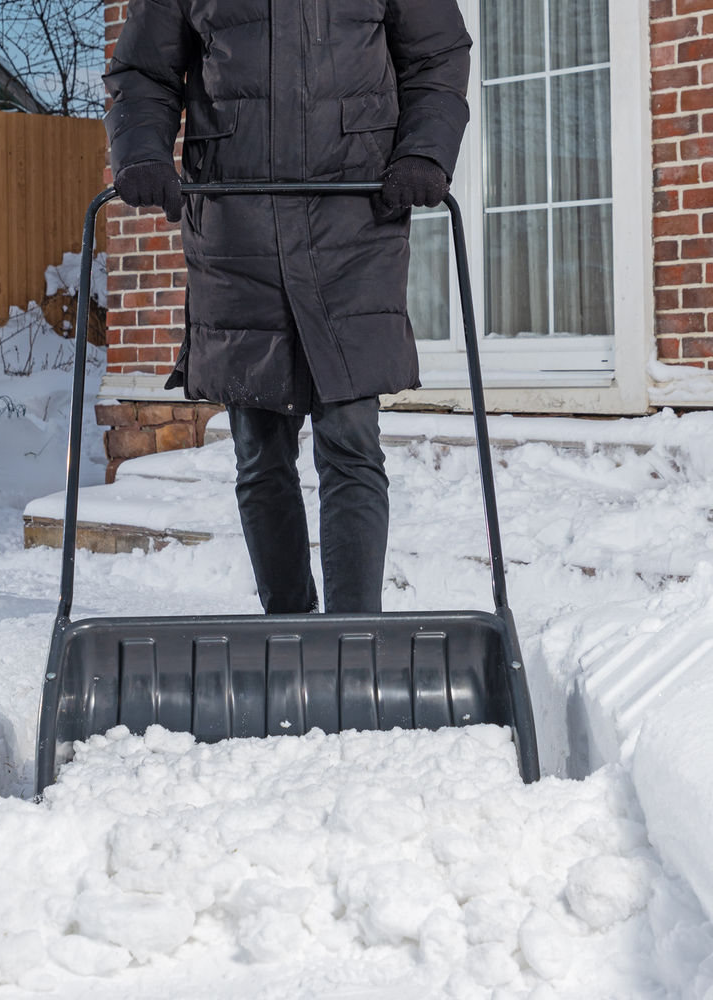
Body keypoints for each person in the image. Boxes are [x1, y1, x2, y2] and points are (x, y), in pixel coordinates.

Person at [104, 0, 471, 615]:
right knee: (261, 447)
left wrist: (424, 153)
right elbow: (144, 70)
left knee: (350, 436)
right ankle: (289, 633)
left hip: (353, 218)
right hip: (237, 223)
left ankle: (355, 638)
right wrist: (141, 151)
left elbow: (437, 54)